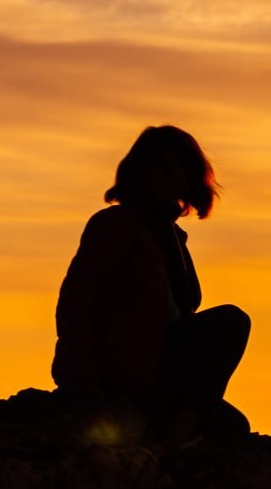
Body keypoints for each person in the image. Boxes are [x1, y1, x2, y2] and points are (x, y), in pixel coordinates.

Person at [53, 125, 251, 436]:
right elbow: (78, 301)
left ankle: (181, 419)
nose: (169, 178)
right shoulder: (116, 225)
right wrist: (81, 381)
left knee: (234, 427)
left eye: (178, 170)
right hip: (125, 372)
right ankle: (175, 423)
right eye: (160, 168)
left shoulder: (173, 238)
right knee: (232, 321)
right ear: (141, 172)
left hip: (163, 370)